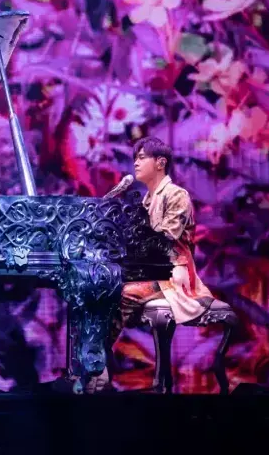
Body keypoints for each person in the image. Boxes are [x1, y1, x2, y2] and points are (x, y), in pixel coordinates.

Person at [90, 136, 215, 392]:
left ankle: (97, 363)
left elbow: (164, 239)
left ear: (160, 163)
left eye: (141, 157)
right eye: (135, 158)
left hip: (175, 276)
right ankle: (94, 362)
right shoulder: (146, 199)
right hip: (149, 272)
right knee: (98, 288)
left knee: (122, 293)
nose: (135, 163)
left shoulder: (177, 195)